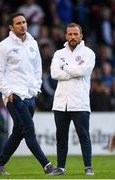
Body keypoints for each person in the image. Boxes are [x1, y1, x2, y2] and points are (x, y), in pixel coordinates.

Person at [0, 12, 54, 175]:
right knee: (29, 129)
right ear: (11, 27)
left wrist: (36, 88)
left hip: (31, 95)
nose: (23, 25)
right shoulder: (3, 46)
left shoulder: (32, 42)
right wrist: (8, 92)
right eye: (18, 23)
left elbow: (37, 68)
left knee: (18, 132)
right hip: (15, 95)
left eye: (24, 22)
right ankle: (47, 166)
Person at [49, 23, 95, 176]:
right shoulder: (58, 53)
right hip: (61, 102)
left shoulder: (88, 53)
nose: (72, 37)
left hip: (80, 102)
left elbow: (83, 71)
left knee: (84, 136)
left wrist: (65, 66)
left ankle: (88, 167)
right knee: (61, 138)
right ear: (65, 36)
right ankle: (60, 168)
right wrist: (73, 69)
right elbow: (54, 74)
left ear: (81, 36)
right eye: (70, 34)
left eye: (75, 34)